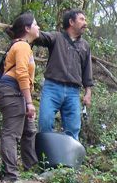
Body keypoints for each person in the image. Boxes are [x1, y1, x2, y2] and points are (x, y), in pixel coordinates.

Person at [0, 13, 41, 182]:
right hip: (11, 92)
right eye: (36, 24)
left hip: (15, 92)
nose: (39, 27)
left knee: (29, 130)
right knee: (11, 133)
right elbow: (21, 74)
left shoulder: (22, 46)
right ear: (27, 29)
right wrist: (29, 102)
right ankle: (11, 175)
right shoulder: (22, 46)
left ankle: (30, 168)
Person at [34, 9, 93, 141]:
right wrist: (24, 29)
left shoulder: (85, 46)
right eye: (82, 19)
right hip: (52, 88)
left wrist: (88, 92)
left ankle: (69, 161)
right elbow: (39, 36)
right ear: (71, 22)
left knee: (73, 129)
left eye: (85, 20)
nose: (85, 23)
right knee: (45, 122)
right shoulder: (56, 38)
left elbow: (87, 70)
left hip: (73, 92)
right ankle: (47, 159)